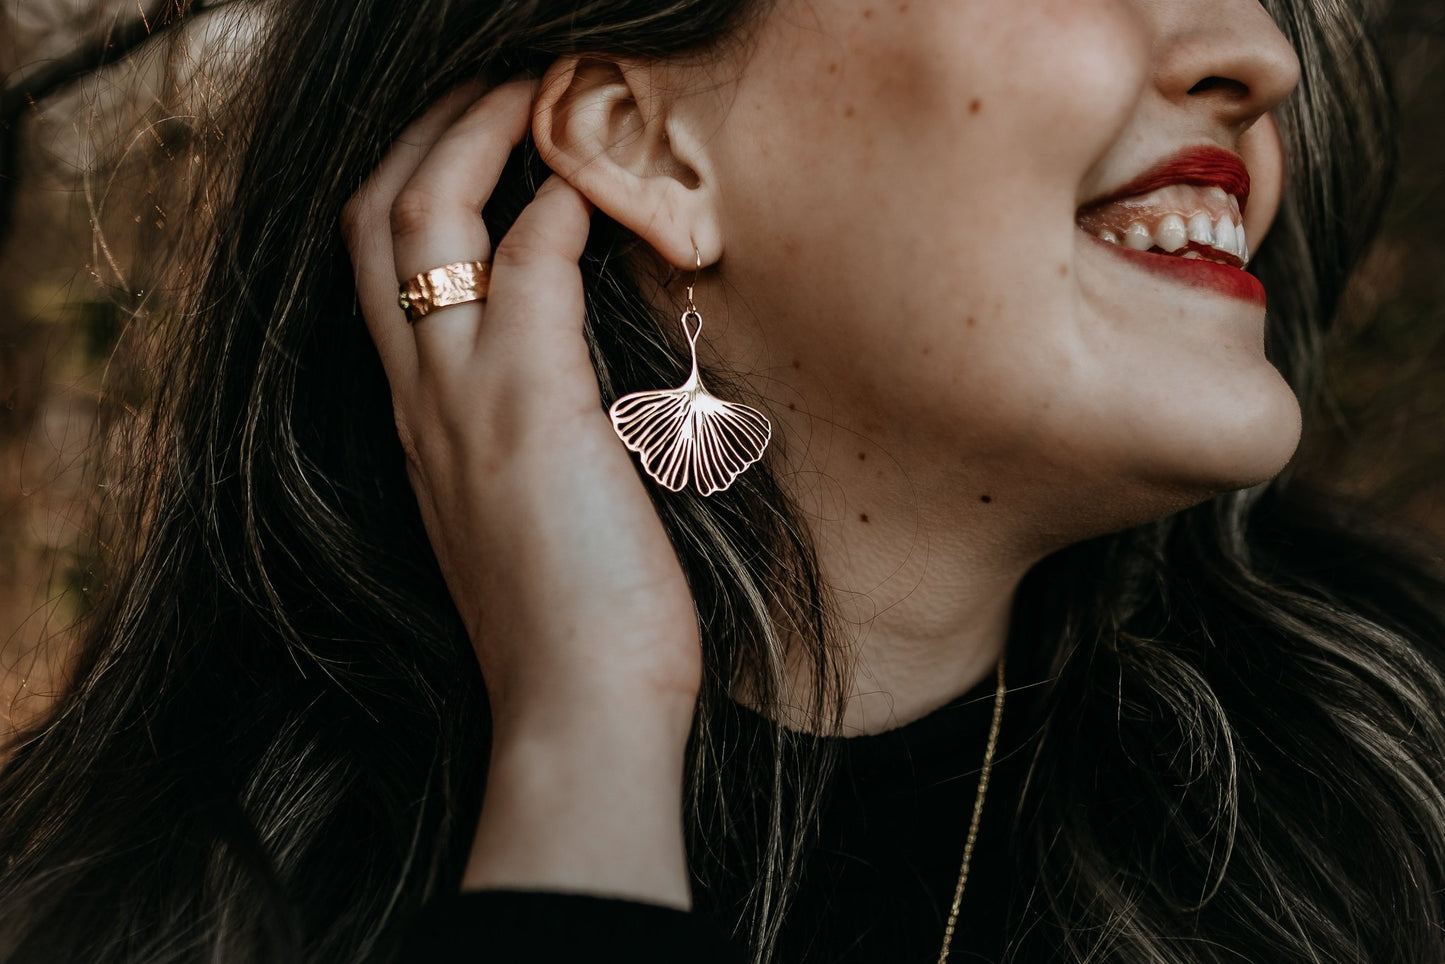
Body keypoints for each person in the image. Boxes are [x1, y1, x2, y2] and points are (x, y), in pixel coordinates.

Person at [1, 0, 1443, 961]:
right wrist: (589, 733)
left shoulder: (1396, 834)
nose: (1262, 50)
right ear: (644, 145)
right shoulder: (124, 915)